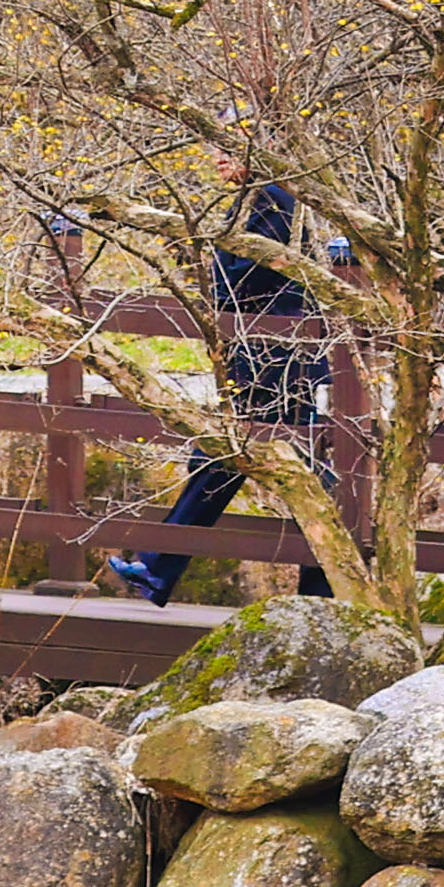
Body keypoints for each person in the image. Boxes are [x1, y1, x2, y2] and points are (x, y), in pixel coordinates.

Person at [112, 173, 336, 607]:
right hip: (261, 350)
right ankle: (158, 566)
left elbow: (257, 270)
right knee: (231, 457)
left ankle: (322, 588)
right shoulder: (255, 197)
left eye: (224, 151)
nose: (215, 161)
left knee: (263, 460)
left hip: (278, 355)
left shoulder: (275, 196)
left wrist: (211, 270)